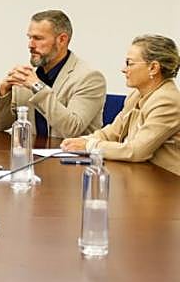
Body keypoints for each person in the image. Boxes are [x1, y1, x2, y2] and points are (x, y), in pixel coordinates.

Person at [61, 35, 180, 176]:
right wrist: (83, 140)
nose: (124, 69)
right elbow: (112, 132)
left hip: (167, 184)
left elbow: (136, 151)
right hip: (141, 175)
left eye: (129, 63)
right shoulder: (136, 95)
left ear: (153, 68)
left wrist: (89, 146)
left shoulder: (168, 101)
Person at [0, 9, 105, 141]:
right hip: (31, 154)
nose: (30, 45)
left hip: (71, 158)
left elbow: (72, 129)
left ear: (62, 40)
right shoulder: (27, 76)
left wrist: (37, 87)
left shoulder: (89, 78)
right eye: (30, 38)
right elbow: (0, 125)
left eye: (38, 38)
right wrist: (4, 92)